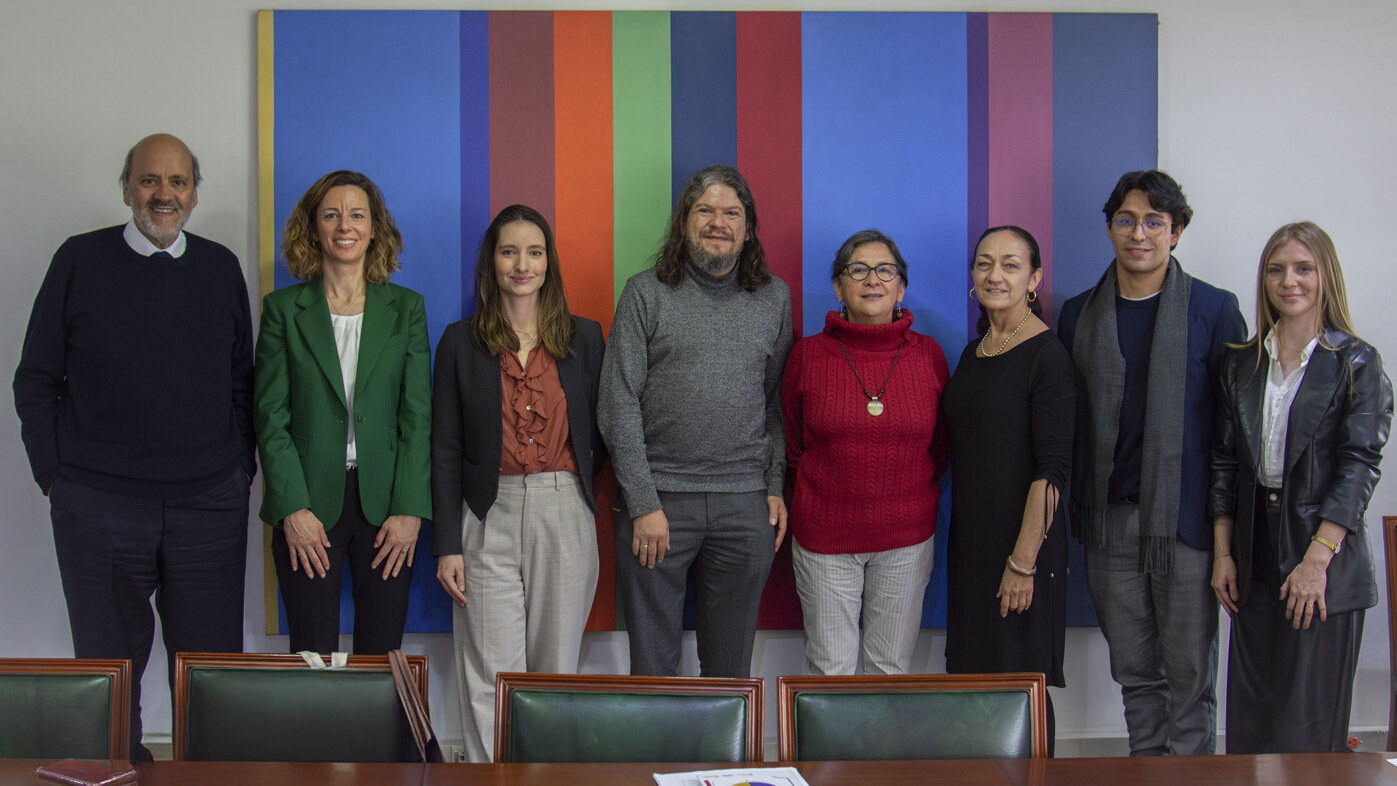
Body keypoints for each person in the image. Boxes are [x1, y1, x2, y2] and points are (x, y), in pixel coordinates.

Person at [13, 133, 254, 760]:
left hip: (207, 505)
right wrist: (53, 477)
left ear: (195, 193)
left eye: (177, 182)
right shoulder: (78, 260)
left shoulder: (220, 267)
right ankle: (119, 770)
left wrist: (238, 469)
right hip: (97, 504)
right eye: (150, 180)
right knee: (106, 675)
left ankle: (205, 777)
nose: (163, 195)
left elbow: (242, 383)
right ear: (126, 188)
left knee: (210, 675)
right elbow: (35, 378)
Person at [1057, 169, 1246, 756]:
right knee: (1135, 674)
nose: (1140, 234)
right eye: (1127, 220)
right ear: (1110, 229)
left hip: (1185, 526)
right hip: (1109, 521)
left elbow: (1230, 435)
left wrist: (1223, 538)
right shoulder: (1077, 314)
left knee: (1190, 678)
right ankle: (1148, 772)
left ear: (1177, 232)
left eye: (1154, 222)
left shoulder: (1215, 310)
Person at [599, 164, 793, 678]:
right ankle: (656, 760)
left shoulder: (774, 298)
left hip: (744, 507)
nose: (718, 222)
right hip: (658, 505)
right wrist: (642, 502)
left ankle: (721, 762)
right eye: (704, 210)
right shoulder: (645, 293)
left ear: (748, 228)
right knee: (654, 665)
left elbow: (775, 403)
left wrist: (773, 485)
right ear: (684, 223)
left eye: (732, 212)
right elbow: (617, 401)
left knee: (731, 668)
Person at [432, 204, 606, 762]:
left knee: (556, 668)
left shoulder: (585, 337)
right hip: (488, 512)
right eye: (509, 252)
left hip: (565, 509)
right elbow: (445, 449)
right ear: (492, 262)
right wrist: (447, 545)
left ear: (548, 263)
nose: (522, 264)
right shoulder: (460, 343)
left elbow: (605, 429)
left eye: (534, 252)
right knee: (490, 671)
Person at [1209, 222, 1392, 753]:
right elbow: (1223, 464)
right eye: (1277, 269)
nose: (1289, 281)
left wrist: (1316, 561)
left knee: (1305, 733)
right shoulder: (1240, 362)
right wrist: (1224, 554)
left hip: (1323, 557)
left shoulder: (1356, 363)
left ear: (1325, 276)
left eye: (1303, 268)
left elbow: (1359, 465)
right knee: (1250, 729)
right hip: (1253, 555)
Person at [254, 170, 431, 656]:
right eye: (331, 215)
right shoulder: (281, 311)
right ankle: (313, 738)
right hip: (308, 503)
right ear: (314, 227)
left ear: (375, 228)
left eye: (357, 215)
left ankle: (382, 738)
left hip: (387, 508)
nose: (344, 225)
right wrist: (291, 507)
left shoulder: (406, 309)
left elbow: (418, 417)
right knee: (311, 654)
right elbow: (270, 417)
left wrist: (410, 508)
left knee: (382, 656)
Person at [780, 229, 948, 676]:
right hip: (825, 540)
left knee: (888, 669)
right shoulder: (808, 356)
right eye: (858, 269)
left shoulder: (929, 356)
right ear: (839, 286)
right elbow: (793, 445)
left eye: (885, 270)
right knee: (828, 669)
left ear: (901, 287)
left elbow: (942, 444)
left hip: (906, 539)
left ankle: (878, 752)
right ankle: (827, 752)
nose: (872, 280)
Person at [942, 226, 1074, 753]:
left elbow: (1052, 472)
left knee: (1019, 692)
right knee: (973, 688)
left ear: (1035, 279)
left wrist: (1021, 563)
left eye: (1011, 264)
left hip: (1023, 553)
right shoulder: (976, 352)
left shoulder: (1048, 357)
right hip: (972, 547)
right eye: (984, 263)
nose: (995, 274)